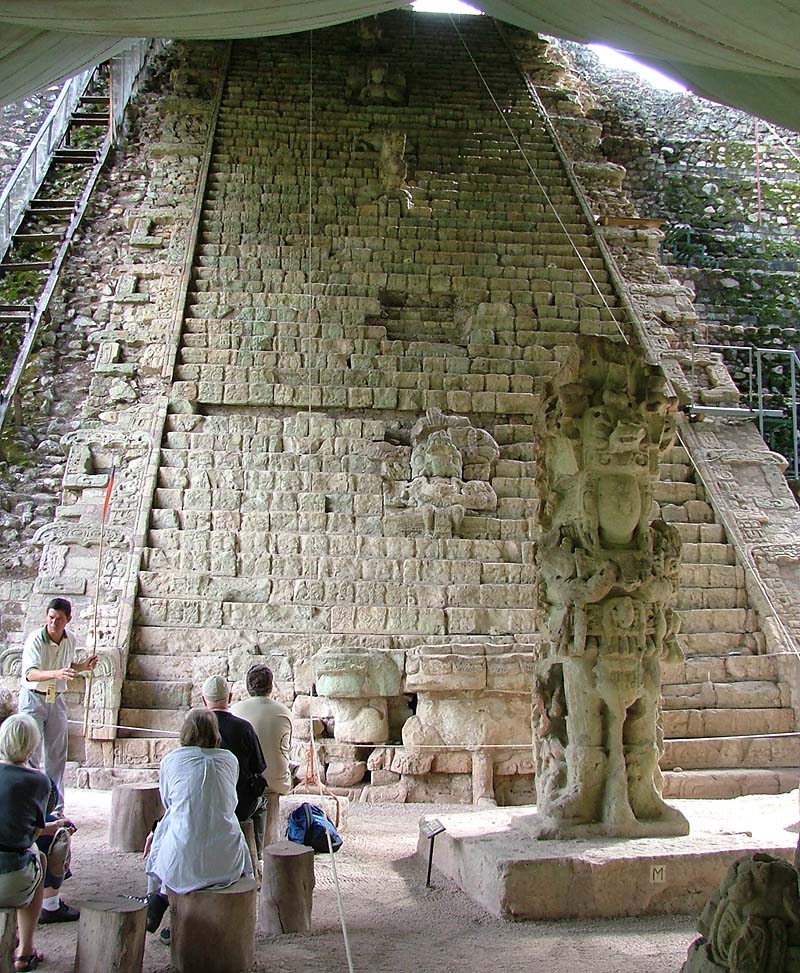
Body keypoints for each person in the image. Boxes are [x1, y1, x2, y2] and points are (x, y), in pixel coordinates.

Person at [144, 708, 253, 934]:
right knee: (214, 819)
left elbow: (168, 801)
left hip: (182, 860)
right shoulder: (229, 760)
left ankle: (160, 897)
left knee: (172, 822)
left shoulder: (171, 760)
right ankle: (164, 901)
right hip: (226, 859)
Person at [0, 691, 78, 925]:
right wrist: (56, 826)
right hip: (11, 872)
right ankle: (30, 940)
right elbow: (33, 831)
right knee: (47, 845)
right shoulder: (39, 782)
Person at [18, 598, 97, 812]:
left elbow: (66, 665)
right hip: (33, 696)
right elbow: (30, 673)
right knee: (31, 752)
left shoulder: (69, 639)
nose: (53, 622)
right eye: (51, 617)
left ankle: (55, 807)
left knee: (57, 754)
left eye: (59, 619)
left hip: (56, 698)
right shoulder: (36, 639)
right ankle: (30, 805)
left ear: (68, 620)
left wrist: (82, 667)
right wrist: (56, 674)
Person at [0, 714, 50, 971]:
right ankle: (25, 950)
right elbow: (34, 834)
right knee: (38, 857)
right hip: (11, 878)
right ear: (32, 745)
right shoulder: (39, 781)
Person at [230, 664, 293, 856]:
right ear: (271, 686)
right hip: (275, 779)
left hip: (243, 781)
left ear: (248, 686)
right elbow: (285, 747)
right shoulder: (283, 712)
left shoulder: (235, 710)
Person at [201, 675, 266, 822]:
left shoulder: (197, 729)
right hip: (237, 805)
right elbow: (258, 767)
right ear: (230, 697)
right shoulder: (244, 728)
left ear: (203, 700)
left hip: (203, 803)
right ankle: (258, 845)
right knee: (262, 804)